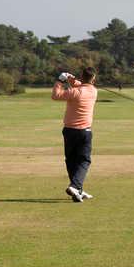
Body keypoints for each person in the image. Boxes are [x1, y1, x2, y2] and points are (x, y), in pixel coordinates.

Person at [51, 67, 98, 203]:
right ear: (93, 79)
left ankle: (77, 189)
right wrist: (72, 80)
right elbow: (83, 85)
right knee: (84, 160)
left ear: (81, 77)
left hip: (69, 131)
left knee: (71, 160)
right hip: (85, 131)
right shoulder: (94, 91)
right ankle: (75, 187)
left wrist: (60, 80)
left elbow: (56, 95)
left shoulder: (75, 92)